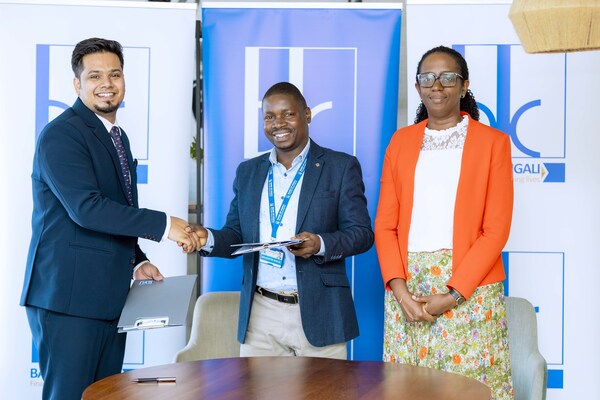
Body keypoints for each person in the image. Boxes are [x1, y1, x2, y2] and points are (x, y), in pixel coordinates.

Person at [20, 37, 202, 400]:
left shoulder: (117, 136)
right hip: (68, 301)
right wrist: (166, 225)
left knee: (102, 396)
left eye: (115, 74)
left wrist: (137, 261)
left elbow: (114, 209)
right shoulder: (62, 136)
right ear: (78, 84)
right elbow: (87, 208)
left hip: (107, 298)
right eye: (95, 76)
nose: (107, 83)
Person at [193, 82, 373, 359]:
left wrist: (320, 243)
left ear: (307, 114)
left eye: (288, 114)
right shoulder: (248, 172)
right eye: (269, 116)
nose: (278, 123)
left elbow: (361, 233)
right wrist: (207, 238)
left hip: (320, 311)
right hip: (261, 314)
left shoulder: (340, 167)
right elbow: (235, 234)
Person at [374, 45, 514, 399]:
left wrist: (453, 294)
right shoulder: (400, 142)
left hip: (471, 288)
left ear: (464, 86)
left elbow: (495, 230)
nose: (437, 86)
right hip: (409, 290)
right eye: (427, 78)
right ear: (419, 87)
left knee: (471, 390)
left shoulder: (493, 143)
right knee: (410, 390)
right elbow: (385, 226)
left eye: (448, 77)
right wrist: (401, 292)